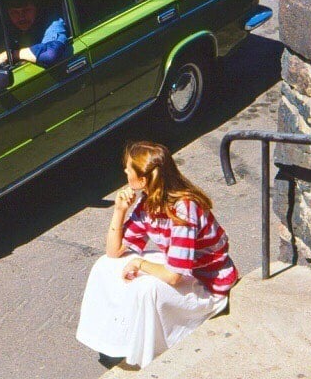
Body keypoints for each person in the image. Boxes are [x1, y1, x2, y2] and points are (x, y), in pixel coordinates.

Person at [76, 141, 238, 369]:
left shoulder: (183, 209)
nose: (125, 171)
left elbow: (174, 277)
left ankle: (148, 357)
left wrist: (140, 263)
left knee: (147, 288)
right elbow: (114, 252)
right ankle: (114, 340)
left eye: (129, 168)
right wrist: (119, 211)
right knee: (104, 266)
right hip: (183, 269)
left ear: (142, 180)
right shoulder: (147, 203)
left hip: (206, 283)